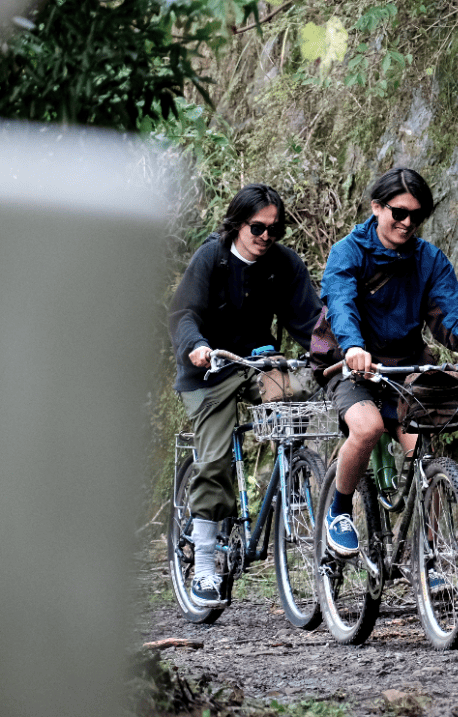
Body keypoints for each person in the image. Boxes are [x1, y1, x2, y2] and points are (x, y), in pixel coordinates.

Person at [320, 167, 458, 557]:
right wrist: (352, 346)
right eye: (399, 212)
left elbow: (445, 314)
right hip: (353, 363)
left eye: (416, 215)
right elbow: (341, 304)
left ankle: (430, 553)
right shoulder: (348, 251)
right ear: (376, 207)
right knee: (365, 429)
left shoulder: (429, 259)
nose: (407, 222)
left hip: (404, 366)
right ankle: (340, 510)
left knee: (427, 452)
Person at [168, 184, 322, 608]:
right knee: (214, 458)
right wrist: (196, 345)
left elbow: (309, 320)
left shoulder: (284, 264)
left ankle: (294, 475)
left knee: (301, 393)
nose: (266, 236)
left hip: (257, 364)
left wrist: (330, 354)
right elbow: (184, 314)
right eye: (258, 227)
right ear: (238, 223)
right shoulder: (211, 258)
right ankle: (203, 565)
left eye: (275, 228)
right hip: (209, 369)